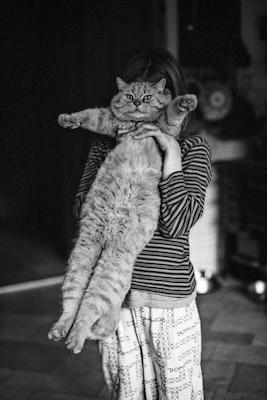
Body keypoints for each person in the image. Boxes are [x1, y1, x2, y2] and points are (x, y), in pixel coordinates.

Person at [74, 48, 212, 400]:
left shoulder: (193, 147)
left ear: (172, 99)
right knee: (126, 393)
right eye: (134, 97)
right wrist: (123, 156)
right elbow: (83, 213)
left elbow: (177, 222)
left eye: (153, 99)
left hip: (169, 299)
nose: (141, 109)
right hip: (113, 301)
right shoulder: (104, 145)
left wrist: (171, 154)